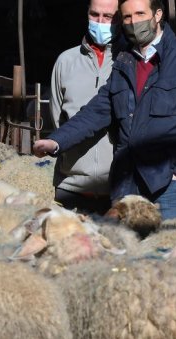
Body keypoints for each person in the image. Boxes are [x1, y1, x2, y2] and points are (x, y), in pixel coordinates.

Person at [34, 0, 176, 220]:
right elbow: (96, 111)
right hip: (126, 186)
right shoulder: (125, 62)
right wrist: (56, 141)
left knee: (165, 249)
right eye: (127, 17)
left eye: (140, 14)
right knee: (126, 250)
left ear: (157, 15)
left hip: (167, 189)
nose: (134, 22)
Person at [48, 0, 123, 215]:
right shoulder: (66, 61)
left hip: (119, 189)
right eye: (94, 15)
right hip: (71, 187)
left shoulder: (129, 61)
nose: (100, 22)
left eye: (108, 17)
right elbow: (56, 116)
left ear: (119, 19)